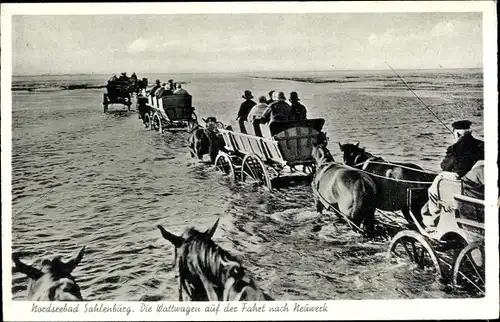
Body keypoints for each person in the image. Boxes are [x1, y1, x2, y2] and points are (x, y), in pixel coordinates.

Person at [421, 120, 484, 229]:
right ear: (470, 132)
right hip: (479, 182)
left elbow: (444, 166)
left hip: (462, 182)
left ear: (457, 134)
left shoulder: (454, 148)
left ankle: (433, 219)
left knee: (434, 187)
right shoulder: (482, 145)